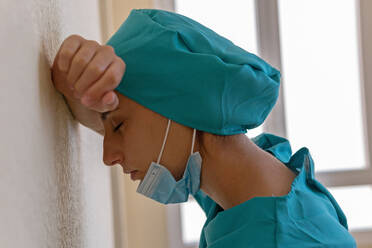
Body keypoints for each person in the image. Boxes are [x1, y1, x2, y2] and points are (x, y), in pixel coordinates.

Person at [51, 9, 356, 248]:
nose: (109, 156)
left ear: (184, 111)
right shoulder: (256, 176)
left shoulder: (277, 239)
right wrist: (72, 72)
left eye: (118, 125)